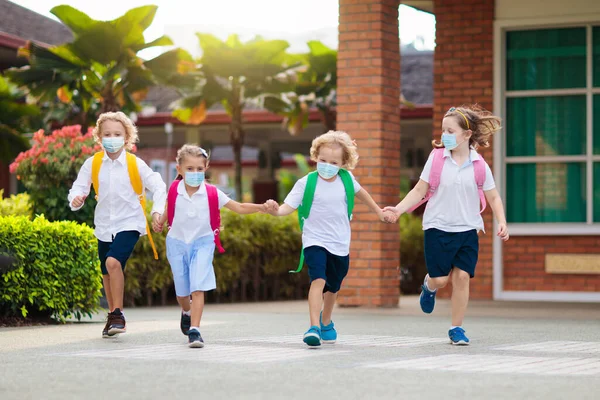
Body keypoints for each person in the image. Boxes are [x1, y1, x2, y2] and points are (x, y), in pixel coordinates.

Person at [384, 105, 509, 345]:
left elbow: (493, 196)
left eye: (450, 131)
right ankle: (429, 286)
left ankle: (456, 328)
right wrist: (398, 210)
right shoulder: (437, 158)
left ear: (467, 134)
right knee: (441, 280)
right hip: (437, 228)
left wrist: (501, 221)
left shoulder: (479, 165)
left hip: (468, 230)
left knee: (462, 277)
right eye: (443, 130)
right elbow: (420, 190)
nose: (444, 135)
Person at [266, 130, 391, 347]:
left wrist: (379, 212)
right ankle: (313, 327)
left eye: (333, 162)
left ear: (343, 163)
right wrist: (274, 210)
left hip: (340, 243)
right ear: (315, 156)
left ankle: (326, 321)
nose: (327, 165)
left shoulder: (347, 179)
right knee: (318, 280)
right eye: (322, 160)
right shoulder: (307, 182)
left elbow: (362, 194)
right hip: (315, 240)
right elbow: (286, 208)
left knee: (333, 287)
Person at [153, 144, 276, 348]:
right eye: (190, 169)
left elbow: (239, 207)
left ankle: (195, 330)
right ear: (179, 169)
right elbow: (169, 209)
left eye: (199, 169)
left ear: (206, 168)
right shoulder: (175, 189)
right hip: (176, 243)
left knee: (198, 287)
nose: (195, 173)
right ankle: (186, 311)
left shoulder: (212, 193)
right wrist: (161, 221)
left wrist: (261, 207)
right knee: (182, 293)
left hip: (203, 243)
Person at [68, 111, 166, 338]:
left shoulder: (135, 163)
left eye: (117, 134)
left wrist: (157, 211)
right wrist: (76, 198)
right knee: (106, 272)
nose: (112, 138)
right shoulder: (92, 164)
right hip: (103, 225)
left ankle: (118, 315)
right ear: (99, 138)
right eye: (107, 134)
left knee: (113, 263)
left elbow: (159, 186)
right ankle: (113, 315)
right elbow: (79, 188)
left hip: (130, 222)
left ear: (127, 137)